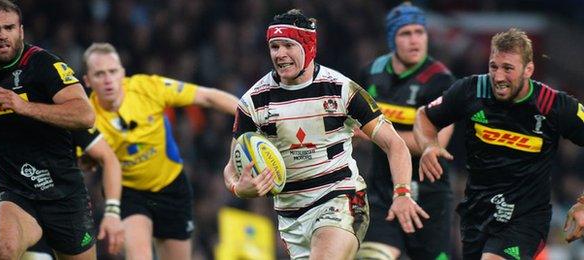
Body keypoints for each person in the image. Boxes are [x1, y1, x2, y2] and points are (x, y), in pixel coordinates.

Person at [223, 9, 429, 259]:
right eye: (274, 46)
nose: (280, 54)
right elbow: (231, 168)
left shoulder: (342, 89)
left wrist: (402, 193)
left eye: (288, 45)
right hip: (291, 218)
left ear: (308, 47)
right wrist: (238, 187)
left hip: (341, 198)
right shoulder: (253, 102)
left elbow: (394, 144)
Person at [414, 28, 584, 259]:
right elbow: (424, 116)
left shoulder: (553, 105)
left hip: (525, 220)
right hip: (477, 215)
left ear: (529, 70)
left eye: (508, 69)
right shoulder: (471, 90)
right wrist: (429, 145)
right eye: (493, 66)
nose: (499, 77)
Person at [0, 0, 100, 259]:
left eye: (9, 27)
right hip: (13, 188)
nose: (2, 35)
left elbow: (85, 115)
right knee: (3, 249)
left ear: (21, 31)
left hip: (62, 192)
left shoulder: (44, 65)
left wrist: (24, 107)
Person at [82, 42, 239, 260]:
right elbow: (82, 162)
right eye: (99, 74)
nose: (108, 79)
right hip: (129, 193)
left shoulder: (148, 88)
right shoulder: (86, 117)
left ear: (122, 73)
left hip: (172, 187)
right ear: (87, 80)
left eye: (112, 71)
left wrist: (251, 118)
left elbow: (208, 96)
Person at [355, 3, 456, 260]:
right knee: (372, 257)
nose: (415, 40)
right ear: (392, 38)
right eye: (405, 33)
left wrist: (370, 134)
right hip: (383, 193)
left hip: (429, 197)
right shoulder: (371, 73)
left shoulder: (441, 81)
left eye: (419, 32)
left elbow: (434, 142)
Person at [0, 128, 125, 259]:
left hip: (61, 198)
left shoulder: (54, 100)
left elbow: (104, 153)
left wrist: (112, 211)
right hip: (6, 188)